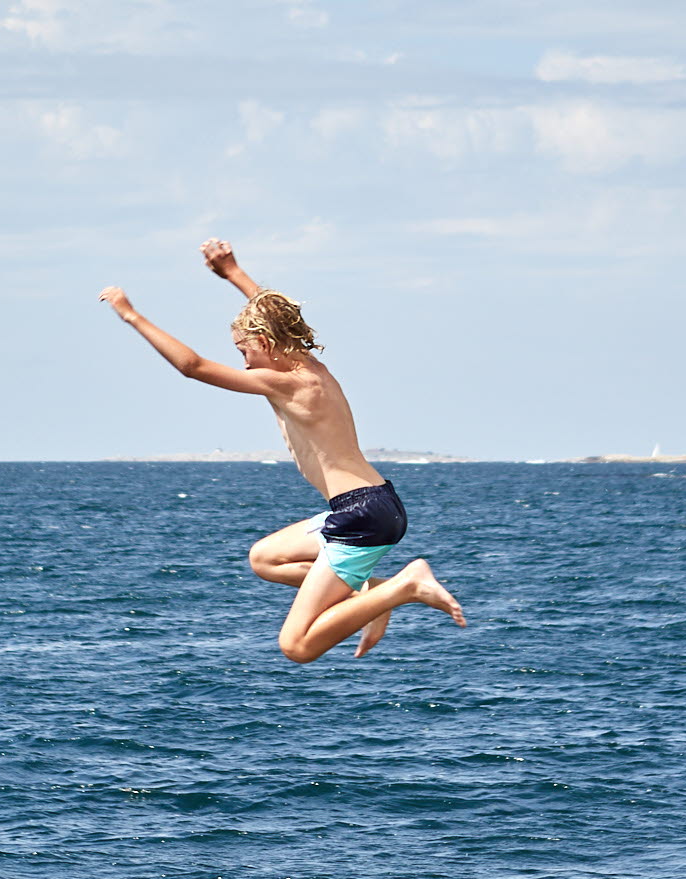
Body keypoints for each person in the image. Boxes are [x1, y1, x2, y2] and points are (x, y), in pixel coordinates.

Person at [98, 240, 465, 662]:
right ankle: (375, 592)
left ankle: (405, 586)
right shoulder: (309, 366)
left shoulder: (287, 383)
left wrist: (131, 315)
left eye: (244, 352)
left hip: (360, 517)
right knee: (266, 558)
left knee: (296, 646)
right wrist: (232, 271)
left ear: (266, 342)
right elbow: (275, 315)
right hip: (372, 504)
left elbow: (193, 367)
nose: (246, 365)